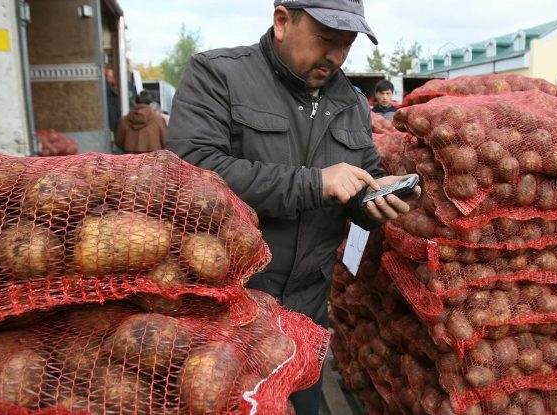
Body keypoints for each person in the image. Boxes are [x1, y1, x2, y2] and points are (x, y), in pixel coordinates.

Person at [166, 1, 420, 413]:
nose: (336, 56)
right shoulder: (219, 75)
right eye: (326, 39)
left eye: (347, 44)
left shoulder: (351, 102)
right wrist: (315, 183)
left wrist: (377, 198)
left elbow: (360, 179)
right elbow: (192, 172)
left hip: (307, 312)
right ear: (283, 22)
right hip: (226, 309)